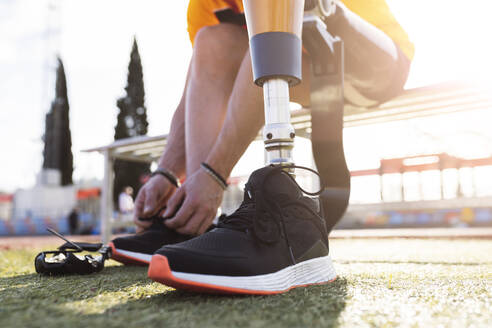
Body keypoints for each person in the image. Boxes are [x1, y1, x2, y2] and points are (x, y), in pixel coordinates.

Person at [111, 0, 414, 293]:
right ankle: (194, 217)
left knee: (259, 40)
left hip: (372, 62)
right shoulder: (204, 3)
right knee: (212, 40)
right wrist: (166, 172)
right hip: (303, 57)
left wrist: (214, 174)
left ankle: (281, 222)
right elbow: (201, 78)